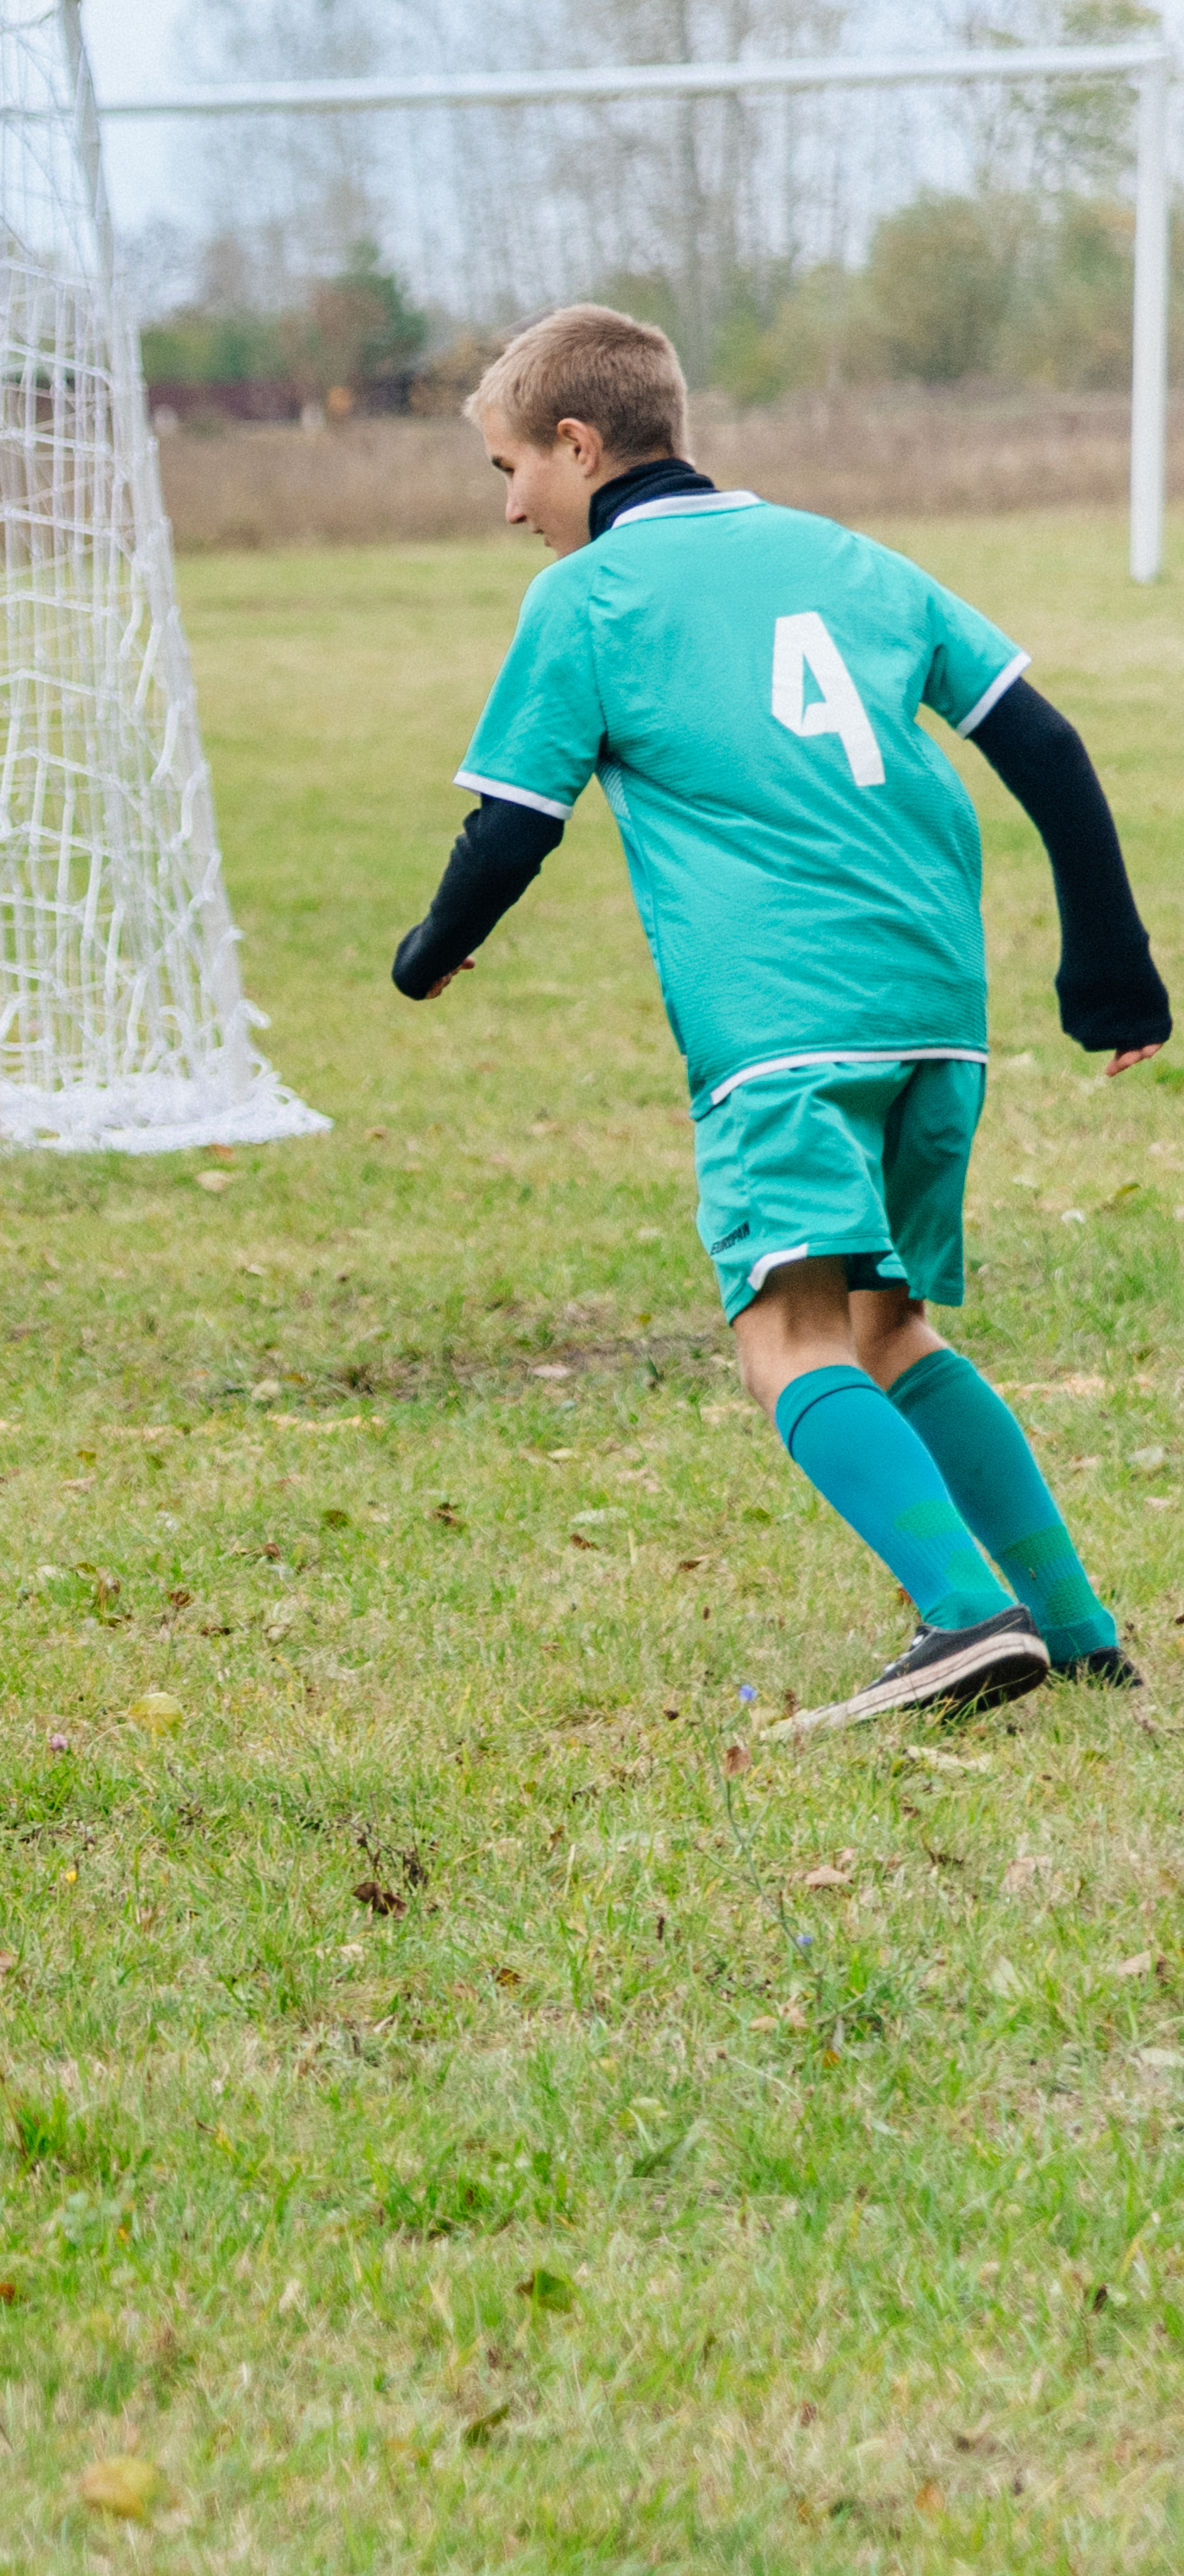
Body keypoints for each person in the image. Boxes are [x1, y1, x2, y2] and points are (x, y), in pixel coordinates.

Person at [393, 300, 1164, 1732]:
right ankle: (1073, 1630)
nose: (509, 507)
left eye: (510, 468)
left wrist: (427, 952)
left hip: (780, 1026)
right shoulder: (848, 556)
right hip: (936, 1012)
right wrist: (1109, 960)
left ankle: (958, 1618)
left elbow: (509, 826)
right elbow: (1044, 744)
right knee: (888, 1330)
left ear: (578, 442)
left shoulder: (590, 600)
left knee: (786, 1342)